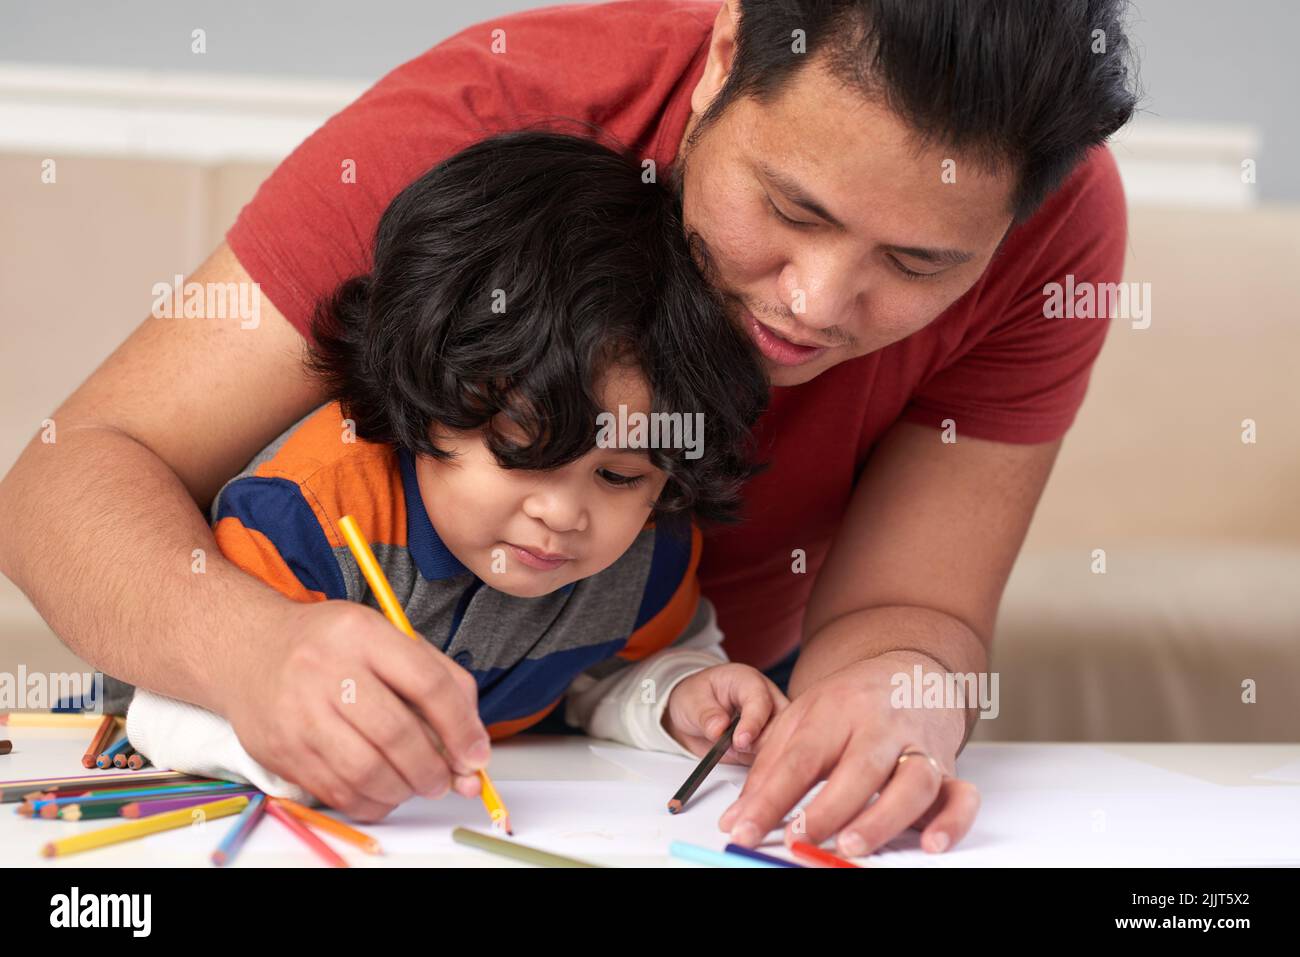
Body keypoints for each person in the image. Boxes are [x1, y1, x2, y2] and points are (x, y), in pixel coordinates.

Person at [0, 0, 1138, 856]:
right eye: (791, 210)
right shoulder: (490, 123)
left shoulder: (1057, 227)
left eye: (917, 262)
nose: (814, 303)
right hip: (302, 680)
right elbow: (64, 484)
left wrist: (902, 699)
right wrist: (253, 654)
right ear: (726, 58)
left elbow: (915, 613)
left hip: (678, 710)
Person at [119, 130, 783, 801]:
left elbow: (599, 678)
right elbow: (168, 707)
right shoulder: (304, 513)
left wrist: (678, 694)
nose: (561, 512)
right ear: (427, 388)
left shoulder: (647, 553)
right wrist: (322, 746)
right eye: (524, 450)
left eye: (618, 475)